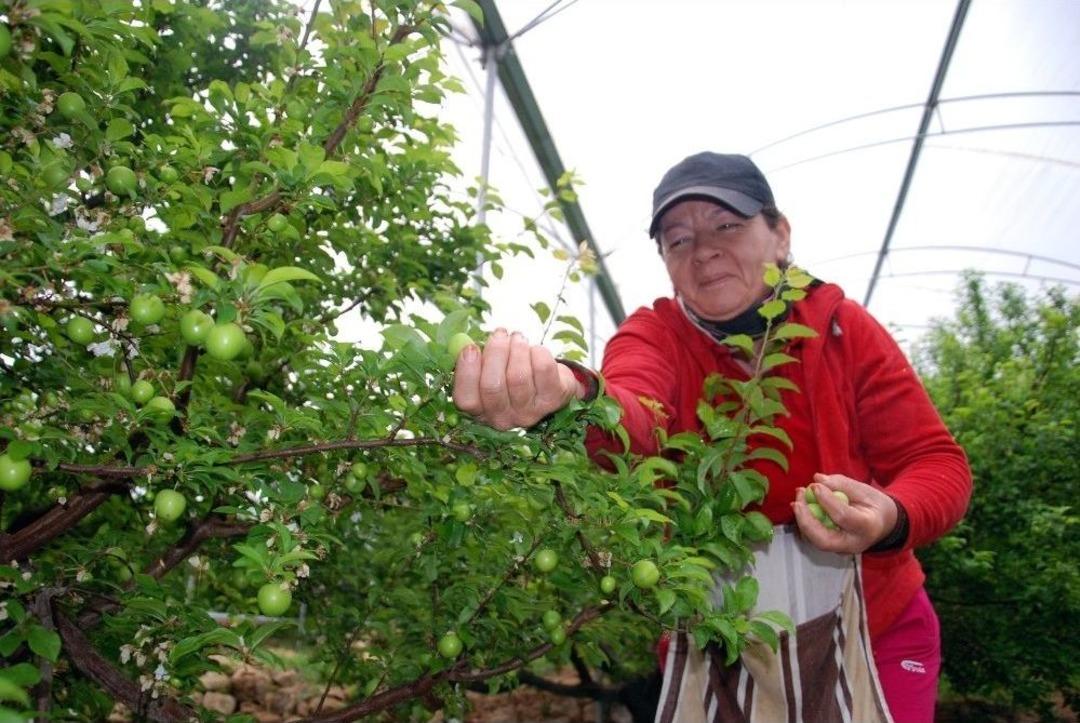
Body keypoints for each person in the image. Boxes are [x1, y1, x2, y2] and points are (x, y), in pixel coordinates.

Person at [453, 151, 972, 722]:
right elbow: (636, 411)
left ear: (780, 235)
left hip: (874, 624)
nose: (703, 250)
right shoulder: (656, 335)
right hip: (717, 641)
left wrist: (892, 517)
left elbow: (935, 461)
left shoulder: (840, 328)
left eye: (727, 225)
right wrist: (574, 395)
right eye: (677, 240)